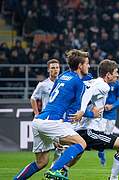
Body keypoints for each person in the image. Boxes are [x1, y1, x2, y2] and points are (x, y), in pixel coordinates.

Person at [14, 49, 89, 180]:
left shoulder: (62, 76)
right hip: (51, 121)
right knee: (81, 144)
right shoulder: (78, 83)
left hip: (39, 120)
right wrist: (89, 113)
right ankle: (54, 170)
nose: (88, 66)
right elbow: (75, 110)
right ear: (80, 66)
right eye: (87, 63)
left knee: (41, 162)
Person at [70, 59, 119, 180]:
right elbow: (88, 93)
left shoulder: (92, 81)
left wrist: (83, 111)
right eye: (116, 72)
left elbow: (81, 93)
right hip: (89, 130)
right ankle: (113, 178)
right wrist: (83, 111)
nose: (117, 75)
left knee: (75, 155)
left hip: (81, 128)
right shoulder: (104, 86)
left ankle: (57, 172)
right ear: (108, 75)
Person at [98, 79, 119, 166]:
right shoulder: (101, 83)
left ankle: (101, 150)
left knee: (107, 135)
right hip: (101, 113)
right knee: (100, 134)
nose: (117, 76)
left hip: (112, 114)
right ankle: (101, 152)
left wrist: (112, 106)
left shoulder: (117, 84)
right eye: (115, 73)